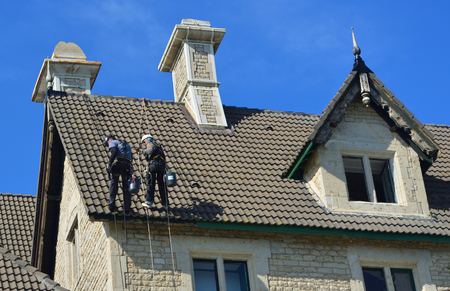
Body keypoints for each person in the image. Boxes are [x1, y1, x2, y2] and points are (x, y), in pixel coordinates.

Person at [103, 135, 133, 214]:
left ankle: (111, 205)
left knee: (114, 183)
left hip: (118, 165)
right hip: (127, 165)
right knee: (126, 186)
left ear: (109, 139)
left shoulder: (113, 142)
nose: (108, 146)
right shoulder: (127, 145)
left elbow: (114, 151)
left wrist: (109, 164)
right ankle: (127, 207)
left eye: (107, 144)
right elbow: (131, 158)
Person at [136, 134, 168, 208]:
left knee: (150, 183)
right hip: (161, 166)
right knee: (161, 185)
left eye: (143, 142)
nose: (144, 144)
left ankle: (149, 202)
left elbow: (149, 151)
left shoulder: (150, 144)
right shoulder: (159, 146)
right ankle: (165, 203)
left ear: (146, 140)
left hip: (154, 165)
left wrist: (140, 151)